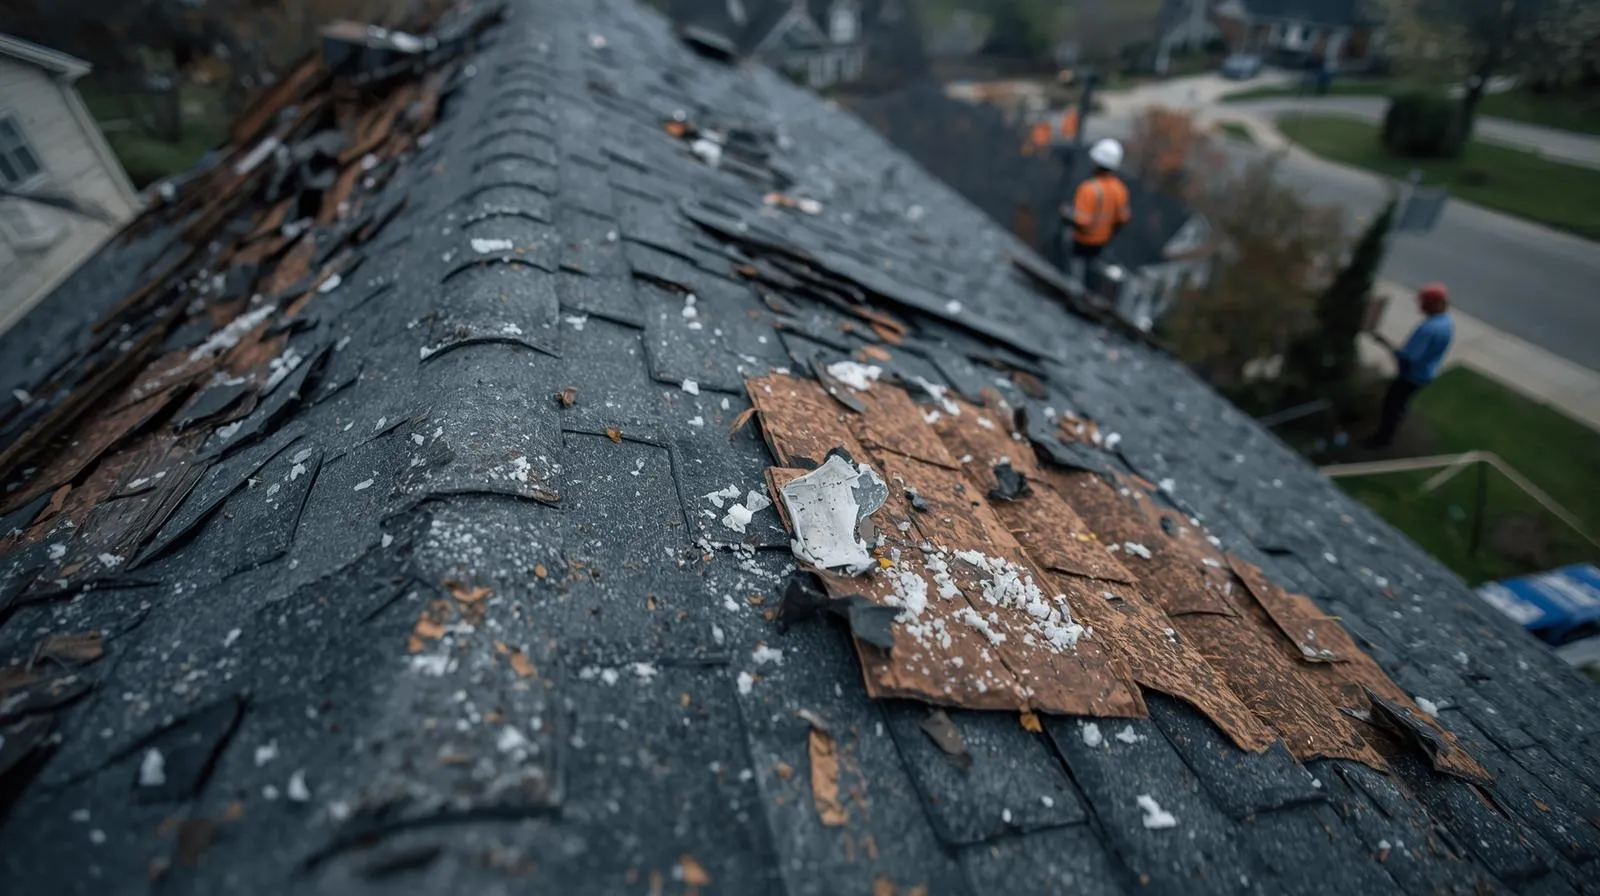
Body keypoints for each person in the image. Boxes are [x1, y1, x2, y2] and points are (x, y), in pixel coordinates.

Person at [1366, 283, 1454, 449]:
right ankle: (1394, 425)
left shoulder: (1428, 328)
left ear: (1435, 303)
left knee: (1392, 404)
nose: (1421, 306)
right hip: (1426, 374)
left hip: (1412, 375)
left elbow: (1409, 357)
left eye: (1425, 302)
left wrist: (1387, 345)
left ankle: (1382, 440)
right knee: (1400, 404)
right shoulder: (1446, 323)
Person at [1061, 138, 1131, 295]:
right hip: (1101, 242)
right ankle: (1089, 292)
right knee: (1092, 270)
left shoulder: (1088, 189)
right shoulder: (1120, 190)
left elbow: (1082, 222)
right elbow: (1122, 219)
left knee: (1075, 268)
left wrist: (1066, 214)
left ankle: (1073, 290)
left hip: (1082, 242)